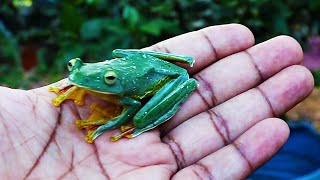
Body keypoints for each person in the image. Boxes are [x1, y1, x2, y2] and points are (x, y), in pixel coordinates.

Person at [0, 24, 314, 179]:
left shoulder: (121, 88)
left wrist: (115, 122)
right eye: (73, 68)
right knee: (98, 72)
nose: (75, 75)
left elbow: (134, 105)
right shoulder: (88, 73)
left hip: (165, 80)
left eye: (107, 81)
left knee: (135, 118)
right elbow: (89, 74)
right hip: (140, 65)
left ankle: (129, 113)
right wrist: (79, 82)